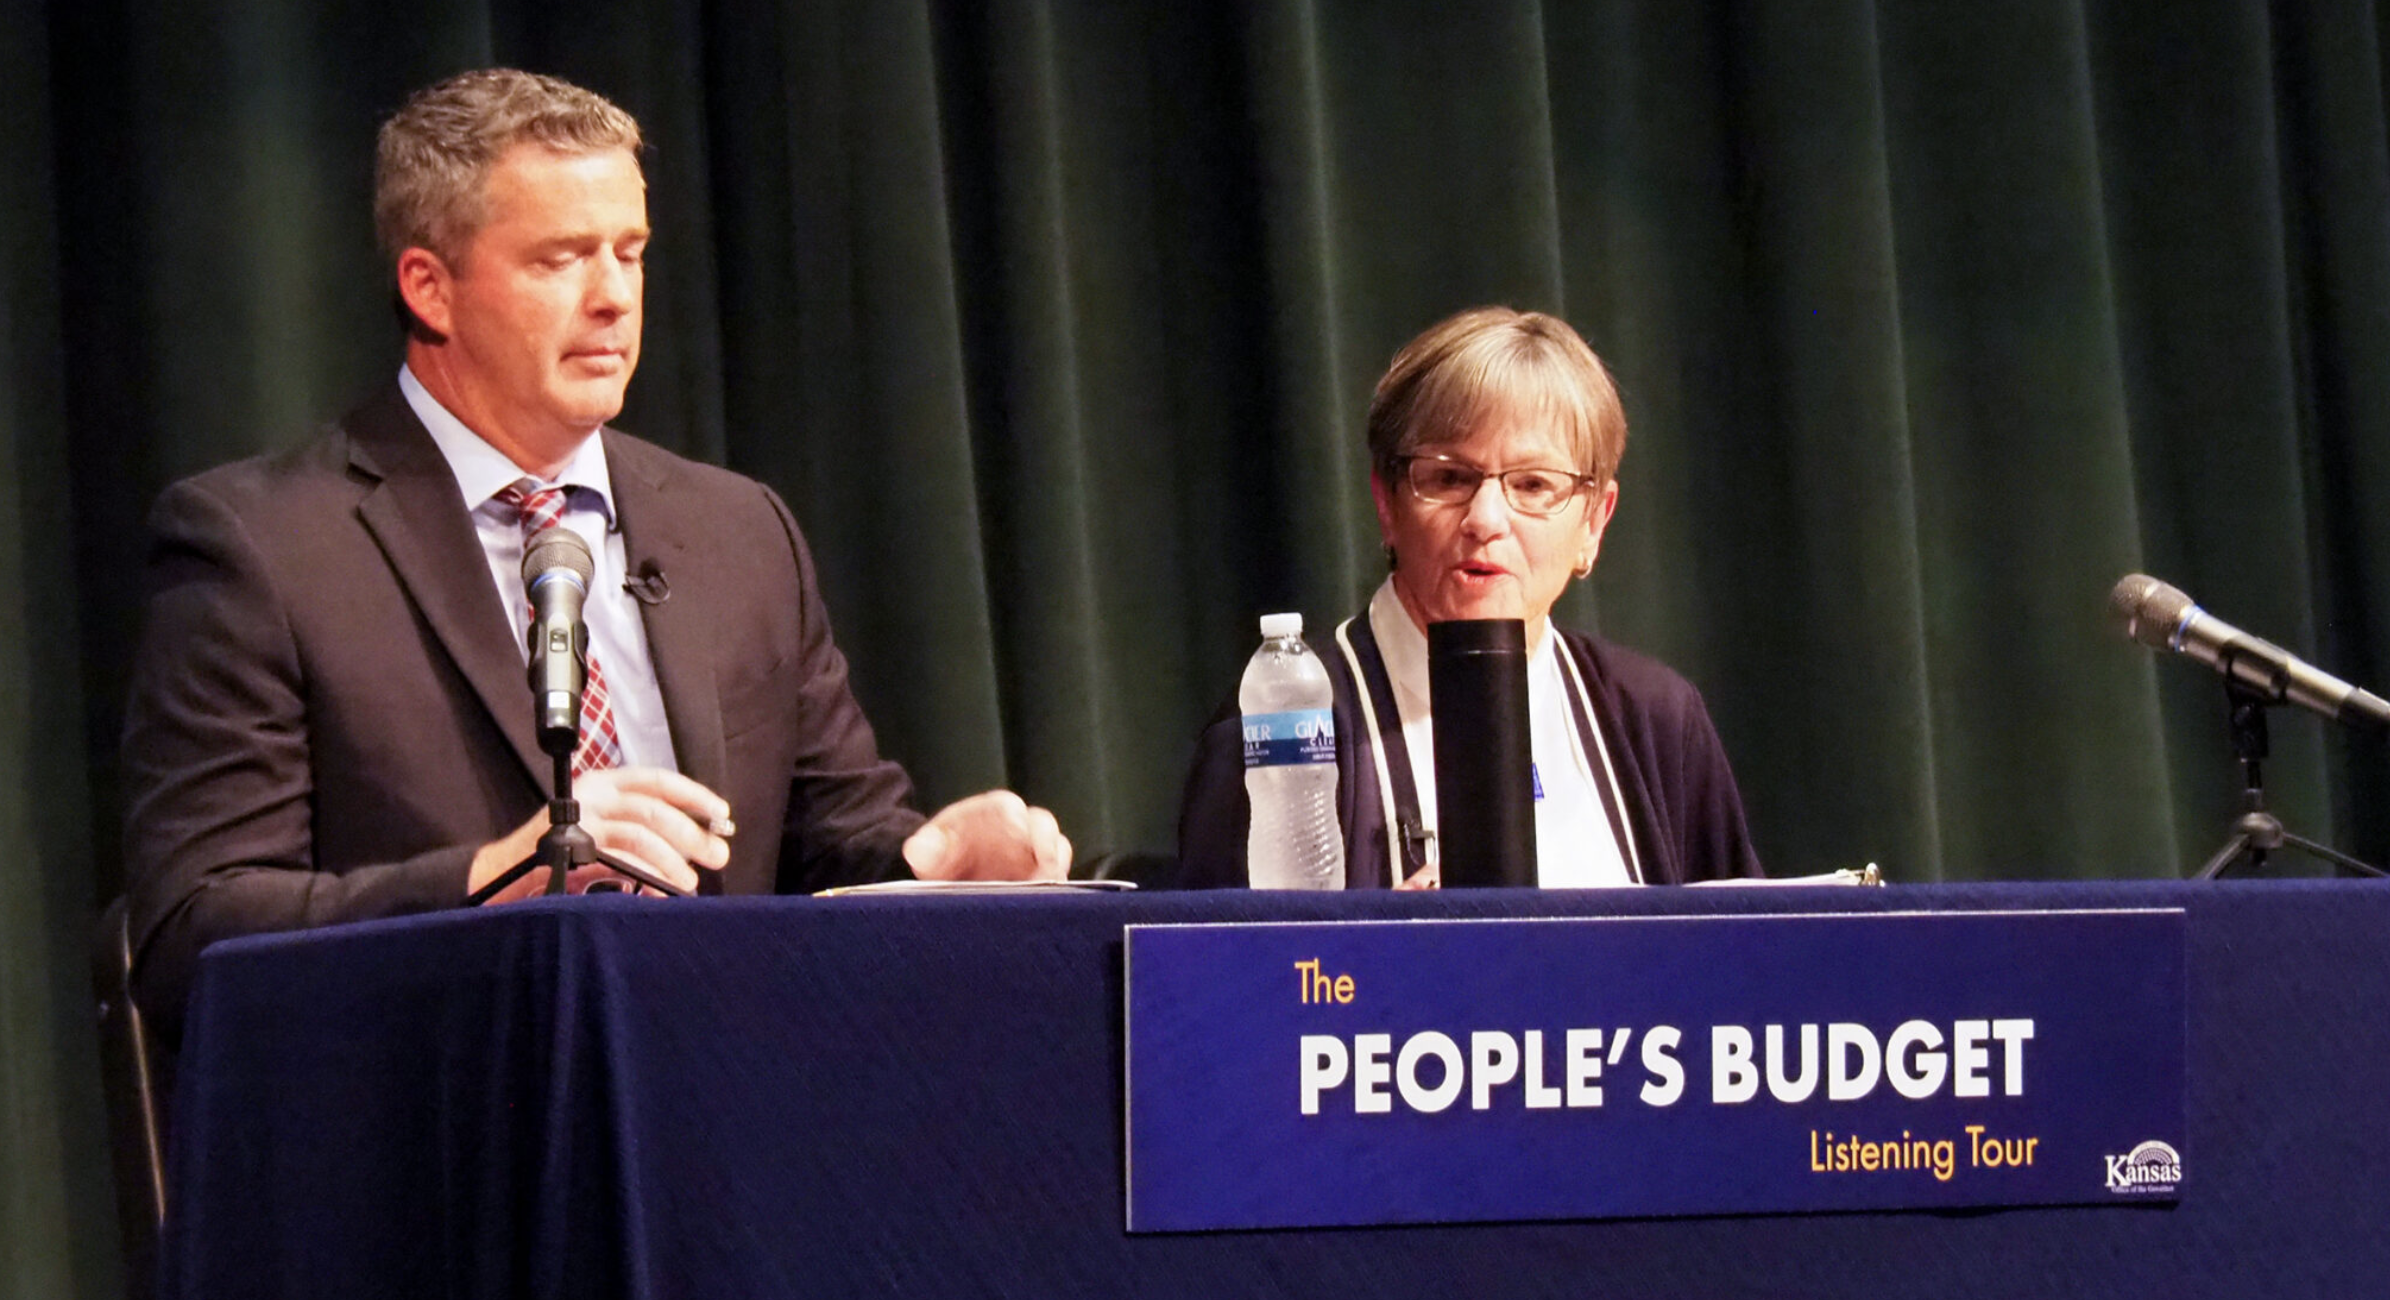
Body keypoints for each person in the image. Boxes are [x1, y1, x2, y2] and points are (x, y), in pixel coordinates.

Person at [121, 69, 1069, 1037]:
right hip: (441, 1129)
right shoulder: (266, 548)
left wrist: (931, 860)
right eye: (561, 259)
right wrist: (499, 877)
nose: (614, 297)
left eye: (631, 251)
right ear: (429, 288)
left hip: (725, 1107)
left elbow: (830, 848)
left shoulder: (739, 533)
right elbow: (196, 935)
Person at [1178, 307, 1761, 888]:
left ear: (1594, 521)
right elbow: (1226, 975)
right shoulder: (1285, 724)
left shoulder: (1654, 717)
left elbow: (1741, 965)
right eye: (1449, 478)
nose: (1485, 519)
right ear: (1387, 503)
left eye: (1533, 485)